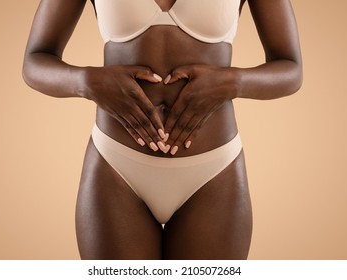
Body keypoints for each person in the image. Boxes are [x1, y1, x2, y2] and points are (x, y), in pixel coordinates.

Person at [22, 0, 302, 260]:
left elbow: (291, 69)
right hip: (116, 167)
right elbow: (35, 61)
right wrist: (87, 81)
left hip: (212, 171)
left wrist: (234, 82)